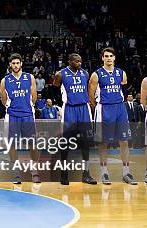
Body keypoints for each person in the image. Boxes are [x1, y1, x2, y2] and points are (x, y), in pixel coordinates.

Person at [89, 47, 136, 185]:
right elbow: (90, 94)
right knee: (104, 142)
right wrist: (95, 106)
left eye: (111, 56)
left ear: (114, 58)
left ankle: (126, 172)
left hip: (120, 108)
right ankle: (104, 172)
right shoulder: (96, 74)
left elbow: (124, 89)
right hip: (104, 108)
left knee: (124, 140)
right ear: (102, 58)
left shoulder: (122, 73)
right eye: (106, 56)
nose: (109, 58)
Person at [52, 53, 97, 185]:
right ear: (70, 61)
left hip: (83, 109)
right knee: (65, 142)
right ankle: (64, 173)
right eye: (77, 61)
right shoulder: (60, 74)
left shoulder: (85, 74)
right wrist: (60, 103)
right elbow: (54, 89)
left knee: (85, 142)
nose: (79, 63)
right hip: (69, 109)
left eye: (80, 61)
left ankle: (86, 173)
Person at [0, 53, 41, 184]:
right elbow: (4, 100)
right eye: (13, 63)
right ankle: (16, 171)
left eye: (18, 63)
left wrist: (26, 106)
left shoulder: (30, 77)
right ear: (10, 65)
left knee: (33, 144)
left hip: (28, 114)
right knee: (12, 144)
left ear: (21, 64)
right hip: (12, 115)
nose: (16, 65)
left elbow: (34, 97)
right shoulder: (4, 80)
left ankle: (34, 169)